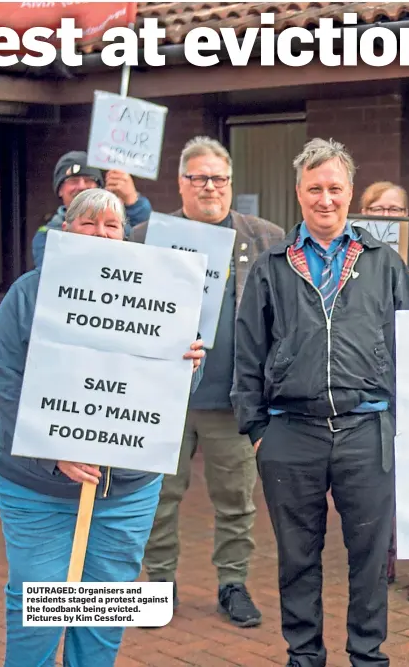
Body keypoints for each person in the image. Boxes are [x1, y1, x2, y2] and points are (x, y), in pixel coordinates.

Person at [0, 188, 206, 667]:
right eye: (87, 222)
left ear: (126, 239)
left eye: (111, 226)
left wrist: (189, 366)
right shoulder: (29, 294)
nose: (100, 233)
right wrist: (53, 449)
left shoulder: (158, 297)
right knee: (37, 605)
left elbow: (165, 398)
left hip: (126, 489)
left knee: (102, 609)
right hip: (36, 487)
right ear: (66, 230)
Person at [234, 138, 409, 667]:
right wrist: (256, 428)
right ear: (298, 194)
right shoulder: (272, 264)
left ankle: (367, 655)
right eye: (314, 189)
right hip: (291, 430)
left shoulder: (382, 262)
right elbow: (249, 349)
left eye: (335, 188)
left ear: (350, 193)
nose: (325, 199)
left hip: (367, 429)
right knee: (297, 557)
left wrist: (401, 426)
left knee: (368, 558)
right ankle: (304, 655)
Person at [132, 136, 284, 627]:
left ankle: (232, 583)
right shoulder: (147, 236)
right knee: (157, 495)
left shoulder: (264, 237)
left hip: (234, 400)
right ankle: (160, 583)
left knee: (237, 499)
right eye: (199, 177)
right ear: (181, 183)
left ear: (230, 183)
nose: (210, 187)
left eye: (219, 178)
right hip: (164, 397)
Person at [360, 181, 409, 602]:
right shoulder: (354, 259)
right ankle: (387, 552)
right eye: (378, 209)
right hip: (375, 378)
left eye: (395, 210)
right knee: (381, 469)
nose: (387, 217)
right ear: (363, 212)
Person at [31, 150, 152, 267]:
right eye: (73, 181)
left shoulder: (121, 228)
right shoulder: (46, 235)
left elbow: (146, 239)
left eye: (89, 180)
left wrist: (132, 199)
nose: (82, 186)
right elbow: (53, 275)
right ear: (60, 190)